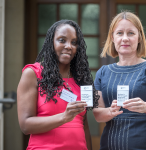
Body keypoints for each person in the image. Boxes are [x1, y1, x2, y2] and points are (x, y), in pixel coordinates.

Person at [17, 20, 99, 150]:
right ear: (51, 42)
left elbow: (83, 124)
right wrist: (63, 117)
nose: (69, 46)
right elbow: (26, 125)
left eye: (74, 42)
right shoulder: (33, 74)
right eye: (62, 40)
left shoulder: (80, 79)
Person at [93, 11, 146, 150]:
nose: (125, 38)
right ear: (112, 38)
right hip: (109, 145)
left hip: (144, 145)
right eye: (119, 33)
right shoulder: (103, 72)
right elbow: (98, 115)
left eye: (131, 33)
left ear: (139, 37)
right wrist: (110, 111)